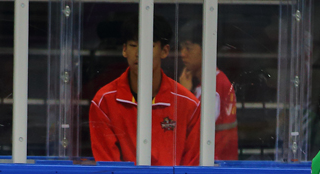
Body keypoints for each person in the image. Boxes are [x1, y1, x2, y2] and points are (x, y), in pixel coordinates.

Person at [89, 15, 201, 166]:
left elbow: (191, 170)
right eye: (133, 45)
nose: (139, 53)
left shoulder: (189, 104)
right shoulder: (103, 102)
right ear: (124, 50)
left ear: (165, 51)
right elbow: (109, 169)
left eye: (149, 45)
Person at [178, 21, 239, 161]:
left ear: (206, 49)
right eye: (182, 48)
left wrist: (185, 94)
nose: (183, 54)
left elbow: (196, 127)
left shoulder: (214, 86)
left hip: (215, 166)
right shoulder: (214, 81)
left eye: (188, 48)